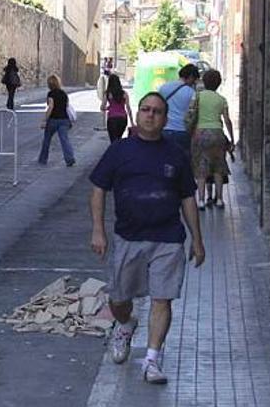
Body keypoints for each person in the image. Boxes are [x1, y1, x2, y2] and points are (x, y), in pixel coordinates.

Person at [89, 92, 205, 385]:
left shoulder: (175, 154)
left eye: (156, 112)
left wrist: (198, 240)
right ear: (137, 114)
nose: (150, 115)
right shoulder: (119, 151)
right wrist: (98, 230)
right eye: (145, 110)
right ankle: (126, 324)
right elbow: (98, 189)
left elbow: (188, 197)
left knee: (162, 298)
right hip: (128, 236)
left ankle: (152, 360)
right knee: (119, 299)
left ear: (165, 119)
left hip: (168, 238)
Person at [191, 69, 235, 210]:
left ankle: (201, 200)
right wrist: (232, 139)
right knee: (218, 167)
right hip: (217, 133)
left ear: (204, 81)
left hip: (200, 133)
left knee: (201, 168)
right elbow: (227, 120)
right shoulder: (221, 99)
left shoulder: (198, 97)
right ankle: (220, 200)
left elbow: (191, 115)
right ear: (218, 83)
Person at [158, 63, 200, 157]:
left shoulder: (164, 87)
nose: (193, 83)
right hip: (182, 131)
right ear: (190, 76)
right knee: (182, 160)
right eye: (193, 80)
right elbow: (193, 114)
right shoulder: (191, 93)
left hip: (165, 129)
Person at [38, 74, 76, 167]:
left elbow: (51, 107)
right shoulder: (64, 94)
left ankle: (43, 159)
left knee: (47, 139)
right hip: (64, 120)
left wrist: (44, 120)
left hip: (53, 120)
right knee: (64, 140)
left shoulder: (51, 94)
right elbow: (67, 106)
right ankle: (69, 158)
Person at [100, 73, 133, 142]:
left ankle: (114, 152)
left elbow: (102, 107)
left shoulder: (108, 94)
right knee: (119, 138)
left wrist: (109, 107)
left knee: (113, 140)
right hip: (123, 119)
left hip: (112, 119)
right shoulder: (124, 93)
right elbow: (128, 108)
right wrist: (132, 122)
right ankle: (119, 151)